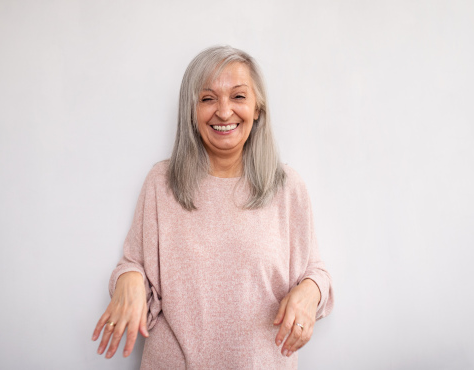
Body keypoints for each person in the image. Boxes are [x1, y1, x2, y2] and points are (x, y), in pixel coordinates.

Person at [92, 45, 334, 369]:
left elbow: (315, 273)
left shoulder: (287, 187)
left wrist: (310, 291)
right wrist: (130, 278)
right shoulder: (161, 183)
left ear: (258, 108)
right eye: (208, 99)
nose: (223, 112)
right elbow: (133, 269)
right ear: (191, 110)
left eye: (238, 97)